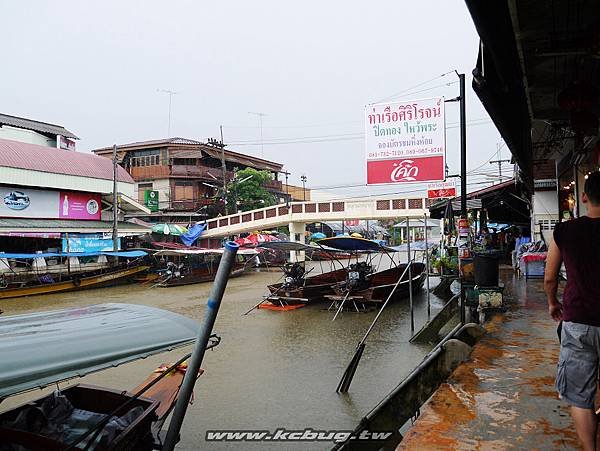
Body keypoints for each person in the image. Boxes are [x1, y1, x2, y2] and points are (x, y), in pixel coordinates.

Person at [545, 171, 600, 451]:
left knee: (580, 396)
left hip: (578, 321)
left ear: (584, 196)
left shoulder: (565, 231)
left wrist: (553, 303)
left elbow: (550, 277)